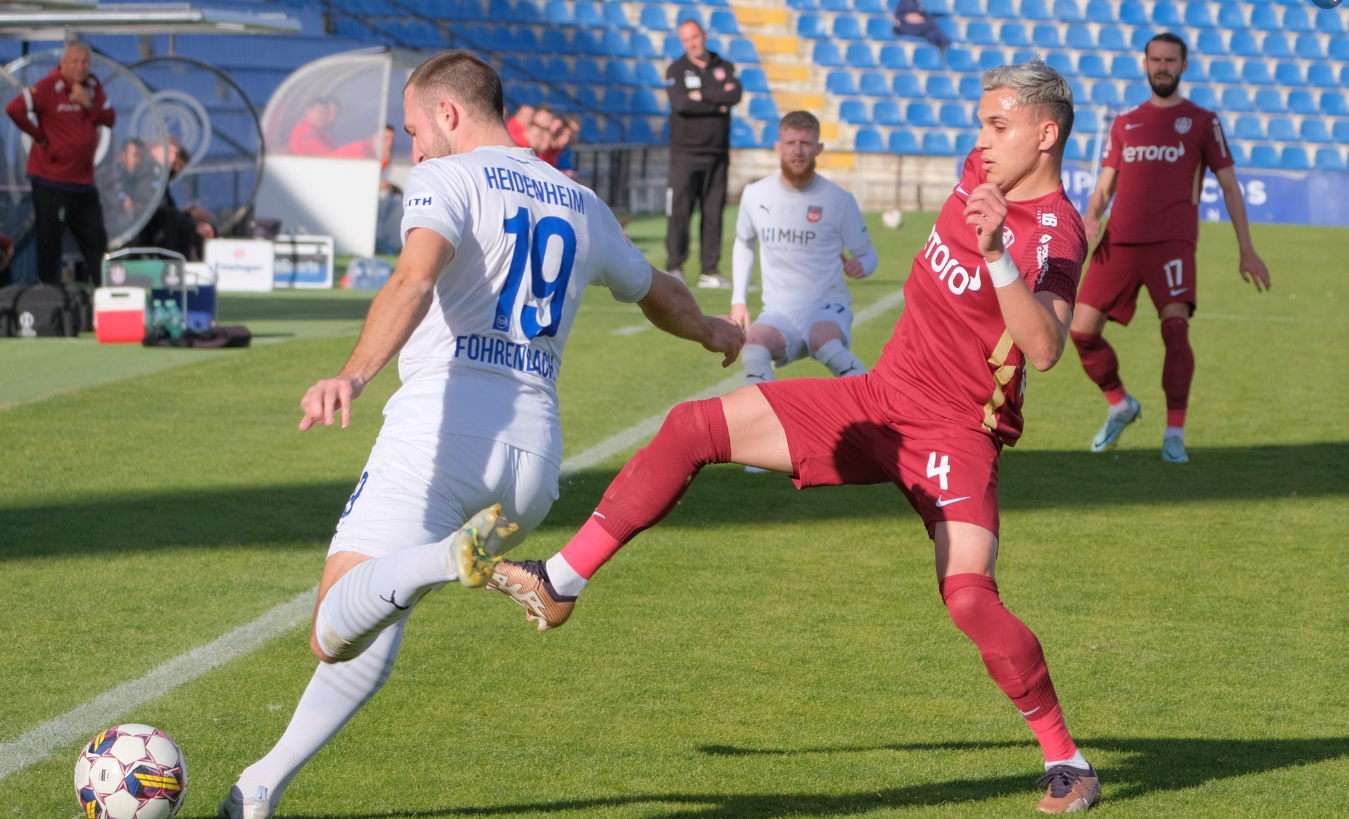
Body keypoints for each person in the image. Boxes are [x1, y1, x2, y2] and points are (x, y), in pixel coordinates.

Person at [480, 60, 1103, 814]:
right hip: (876, 398)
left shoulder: (1055, 233)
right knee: (692, 425)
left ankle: (1066, 761)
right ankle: (561, 582)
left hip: (954, 429)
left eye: (997, 125)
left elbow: (1042, 347)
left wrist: (997, 248)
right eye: (980, 122)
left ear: (1045, 134)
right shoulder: (979, 171)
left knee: (969, 599)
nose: (982, 139)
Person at [216, 50, 744, 819]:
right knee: (378, 612)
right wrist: (714, 331)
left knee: (334, 625)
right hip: (532, 464)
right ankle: (260, 786)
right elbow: (657, 291)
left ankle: (447, 557)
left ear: (450, 114)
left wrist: (354, 374)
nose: (412, 147)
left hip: (444, 429)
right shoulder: (577, 198)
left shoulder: (447, 178)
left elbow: (414, 276)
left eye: (413, 128)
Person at [1070, 33, 1271, 464]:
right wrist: (1090, 218)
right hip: (1119, 240)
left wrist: (1247, 249)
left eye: (1170, 60)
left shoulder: (1202, 121)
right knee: (1080, 331)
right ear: (1145, 64)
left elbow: (1231, 185)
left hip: (1172, 243)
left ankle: (1174, 433)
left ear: (1184, 66)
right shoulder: (1125, 123)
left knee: (1175, 328)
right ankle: (1120, 404)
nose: (1162, 67)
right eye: (1155, 60)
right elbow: (1104, 186)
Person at [732, 110, 877, 392]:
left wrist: (862, 266)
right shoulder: (755, 194)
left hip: (826, 306)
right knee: (753, 346)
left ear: (818, 148)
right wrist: (738, 300)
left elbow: (869, 254)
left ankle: (878, 410)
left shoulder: (839, 200)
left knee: (824, 340)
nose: (797, 151)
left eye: (806, 143)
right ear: (777, 147)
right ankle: (762, 419)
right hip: (778, 310)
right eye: (790, 143)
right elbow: (744, 242)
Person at [5, 40, 114, 286]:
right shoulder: (47, 86)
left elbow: (109, 119)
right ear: (64, 63)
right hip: (51, 182)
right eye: (75, 61)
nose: (80, 66)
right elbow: (14, 108)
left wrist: (87, 102)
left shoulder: (93, 86)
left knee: (96, 241)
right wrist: (40, 137)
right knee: (49, 245)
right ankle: (49, 300)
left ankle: (106, 298)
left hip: (84, 183)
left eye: (85, 61)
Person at [665, 19, 742, 289]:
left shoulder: (724, 65)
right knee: (680, 211)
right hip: (685, 153)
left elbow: (735, 96)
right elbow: (682, 103)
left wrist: (702, 96)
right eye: (686, 40)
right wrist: (717, 99)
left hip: (717, 153)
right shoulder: (677, 69)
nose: (692, 44)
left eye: (695, 37)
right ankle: (675, 267)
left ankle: (709, 270)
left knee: (713, 213)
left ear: (704, 36)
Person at [287, 97, 373, 159]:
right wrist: (362, 147)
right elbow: (329, 158)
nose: (324, 117)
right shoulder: (306, 132)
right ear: (309, 111)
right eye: (320, 112)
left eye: (326, 113)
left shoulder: (318, 130)